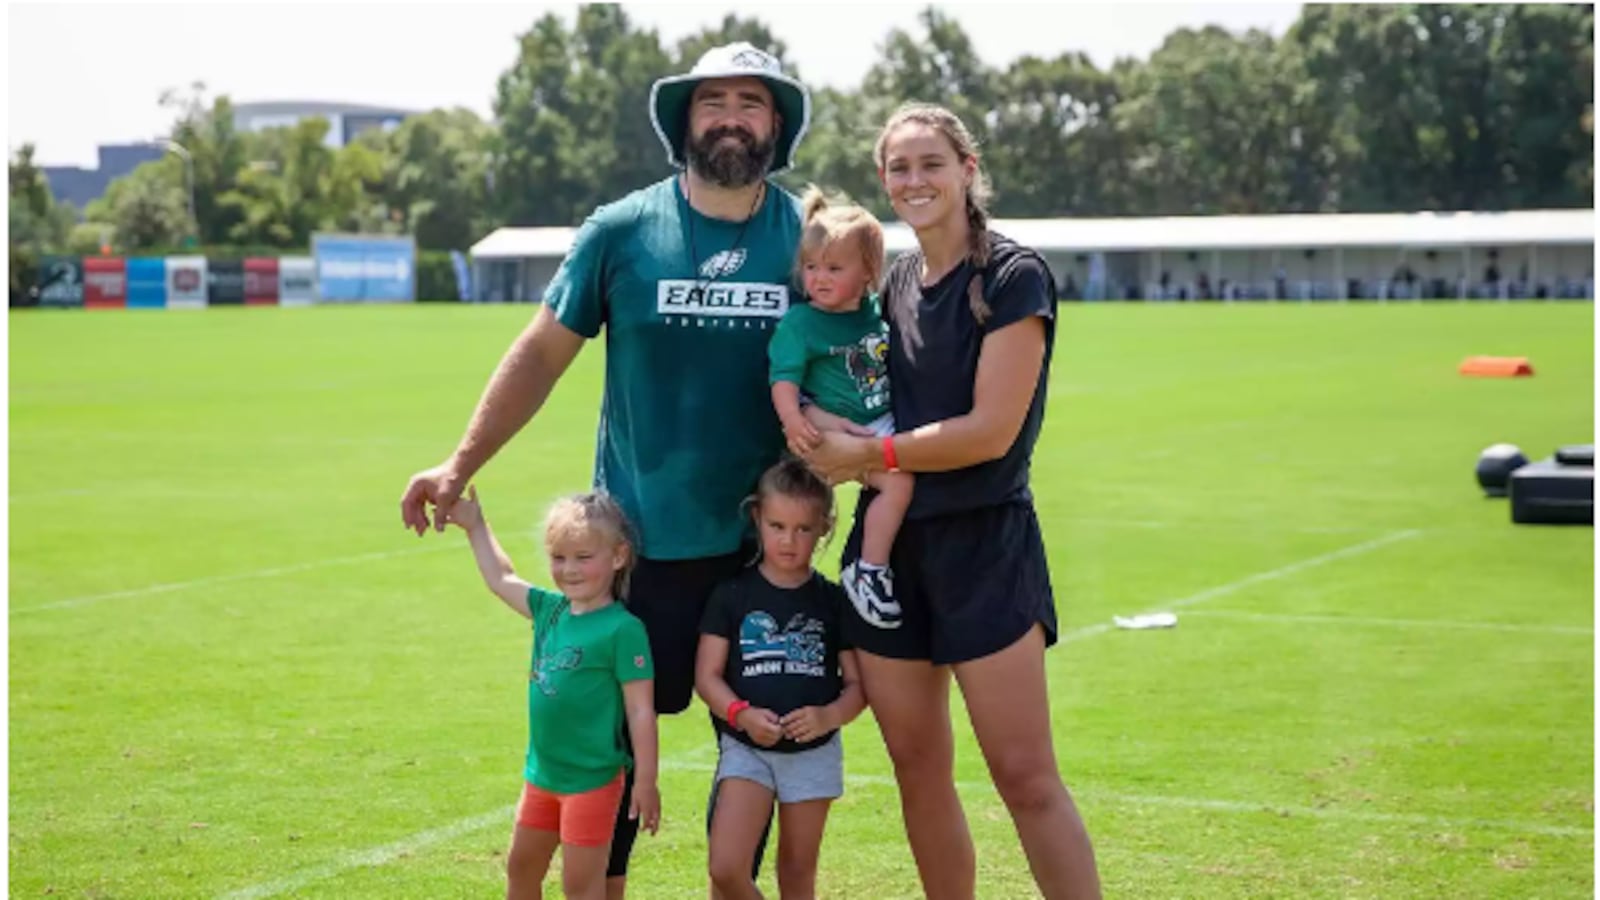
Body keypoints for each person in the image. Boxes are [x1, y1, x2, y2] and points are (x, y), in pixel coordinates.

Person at [399, 41, 811, 896]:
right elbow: (543, 354)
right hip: (641, 547)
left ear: (777, 123)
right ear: (683, 121)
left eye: (751, 102)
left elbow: (851, 361)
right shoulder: (622, 231)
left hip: (765, 552)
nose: (731, 117)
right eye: (713, 102)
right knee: (610, 745)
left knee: (760, 741)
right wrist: (459, 460)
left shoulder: (809, 238)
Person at [795, 102, 1101, 899]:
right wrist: (817, 431)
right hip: (889, 558)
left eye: (931, 163)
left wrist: (867, 455)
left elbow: (989, 432)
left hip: (985, 548)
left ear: (968, 169)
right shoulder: (890, 282)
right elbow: (849, 389)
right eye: (899, 168)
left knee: (1025, 777)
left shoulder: (1012, 274)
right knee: (918, 771)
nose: (915, 180)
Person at [446, 487, 659, 900]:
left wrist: (646, 782)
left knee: (580, 887)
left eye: (583, 557)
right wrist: (475, 525)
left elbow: (639, 711)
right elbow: (501, 578)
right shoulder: (550, 610)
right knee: (521, 871)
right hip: (541, 777)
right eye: (559, 558)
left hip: (592, 783)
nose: (569, 570)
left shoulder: (623, 629)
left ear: (617, 557)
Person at [694, 458, 866, 900]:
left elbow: (858, 687)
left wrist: (829, 716)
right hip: (747, 749)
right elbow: (707, 676)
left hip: (814, 755)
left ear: (824, 528)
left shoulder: (832, 600)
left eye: (804, 529)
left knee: (796, 873)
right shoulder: (731, 594)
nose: (789, 540)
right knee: (726, 867)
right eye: (777, 526)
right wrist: (741, 714)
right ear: (757, 518)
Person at [769, 187, 913, 629]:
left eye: (834, 268)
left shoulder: (875, 312)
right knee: (896, 482)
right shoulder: (801, 322)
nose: (818, 278)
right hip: (828, 433)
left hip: (876, 420)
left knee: (907, 476)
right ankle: (865, 570)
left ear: (869, 271)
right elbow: (783, 380)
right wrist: (795, 420)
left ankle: (870, 564)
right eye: (811, 268)